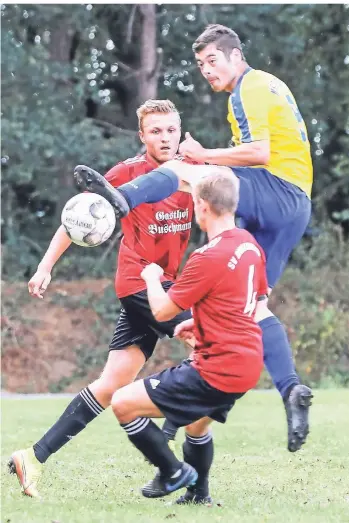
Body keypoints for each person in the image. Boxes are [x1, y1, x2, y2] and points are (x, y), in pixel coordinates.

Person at [74, 24, 313, 454]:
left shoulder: (248, 87)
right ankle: (291, 387)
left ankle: (121, 199)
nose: (206, 70)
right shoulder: (272, 86)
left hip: (277, 187)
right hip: (297, 207)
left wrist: (206, 157)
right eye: (200, 64)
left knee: (183, 171)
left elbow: (259, 153)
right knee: (255, 305)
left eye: (212, 61)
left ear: (235, 55)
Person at [8, 100, 197, 498]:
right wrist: (45, 267)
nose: (164, 138)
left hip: (166, 287)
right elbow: (76, 218)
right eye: (156, 131)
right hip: (140, 286)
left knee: (110, 386)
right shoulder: (126, 175)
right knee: (211, 345)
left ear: (180, 131)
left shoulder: (192, 170)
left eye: (171, 130)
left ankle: (33, 457)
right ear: (142, 135)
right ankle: (174, 449)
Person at [110, 169, 267, 501]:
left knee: (123, 404)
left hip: (217, 368)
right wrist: (199, 322)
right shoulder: (249, 245)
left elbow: (163, 311)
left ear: (203, 206)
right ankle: (199, 495)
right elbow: (248, 301)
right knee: (196, 426)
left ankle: (173, 472)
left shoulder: (208, 256)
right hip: (248, 364)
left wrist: (151, 277)